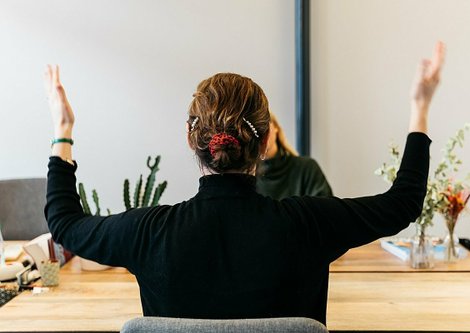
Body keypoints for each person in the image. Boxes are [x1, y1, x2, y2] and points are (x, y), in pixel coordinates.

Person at [44, 41, 444, 324]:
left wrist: (63, 129)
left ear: (190, 138)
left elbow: (64, 223)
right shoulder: (308, 224)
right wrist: (419, 108)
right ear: (267, 141)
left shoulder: (148, 233)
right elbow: (403, 203)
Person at [256, 112, 333, 199]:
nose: (260, 133)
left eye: (264, 124)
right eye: (255, 127)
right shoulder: (247, 179)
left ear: (276, 127)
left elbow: (325, 209)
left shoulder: (306, 168)